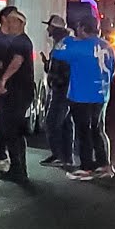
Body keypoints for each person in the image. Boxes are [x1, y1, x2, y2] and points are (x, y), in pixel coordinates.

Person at [52, 15, 115, 180]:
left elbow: (57, 52)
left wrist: (68, 38)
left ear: (82, 28)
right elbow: (112, 71)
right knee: (98, 130)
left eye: (78, 27)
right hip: (101, 94)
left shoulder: (77, 46)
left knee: (83, 131)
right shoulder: (108, 46)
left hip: (82, 95)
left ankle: (86, 167)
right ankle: (104, 164)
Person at [0, 6, 34, 182]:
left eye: (13, 22)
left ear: (20, 24)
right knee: (14, 131)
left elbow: (16, 62)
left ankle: (18, 170)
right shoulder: (21, 41)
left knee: (13, 131)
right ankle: (18, 168)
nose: (10, 25)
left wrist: (2, 81)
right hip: (20, 92)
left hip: (16, 93)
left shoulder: (20, 42)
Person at [39, 15, 76, 169]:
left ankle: (59, 156)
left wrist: (56, 80)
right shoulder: (65, 43)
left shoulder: (63, 45)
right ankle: (67, 157)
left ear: (55, 29)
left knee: (52, 122)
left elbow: (63, 70)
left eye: (49, 26)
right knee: (66, 124)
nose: (47, 29)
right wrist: (48, 65)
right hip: (67, 90)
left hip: (62, 90)